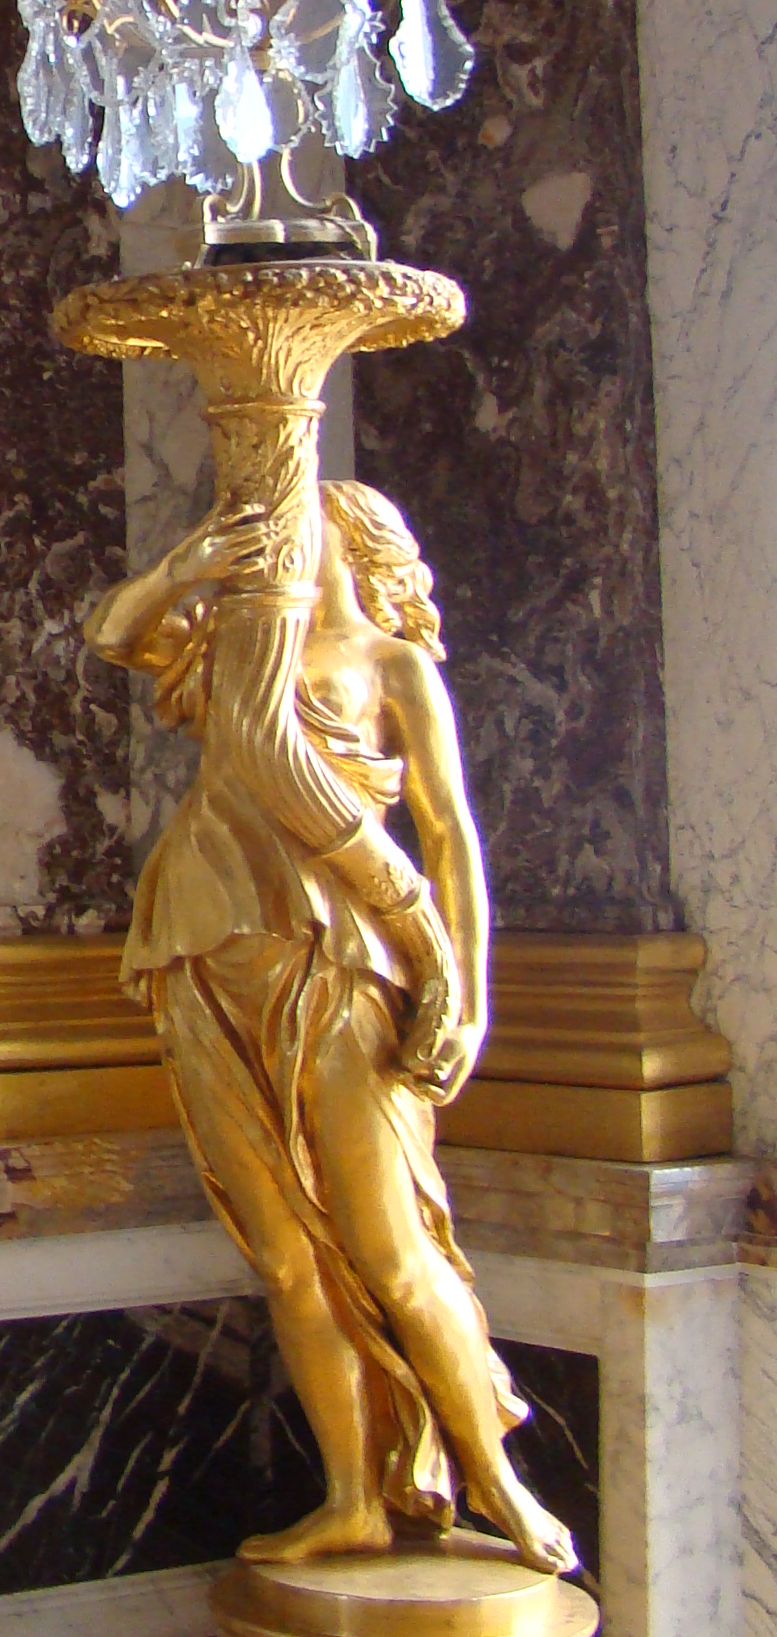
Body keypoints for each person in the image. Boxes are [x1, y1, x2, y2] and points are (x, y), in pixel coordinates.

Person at [86, 477, 575, 1573]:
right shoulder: (229, 646)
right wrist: (189, 566)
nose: (275, 530)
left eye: (293, 512)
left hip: (344, 954)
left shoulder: (393, 666)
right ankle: (353, 1497)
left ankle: (495, 1479)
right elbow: (116, 634)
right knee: (286, 1256)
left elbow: (451, 838)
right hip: (204, 944)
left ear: (347, 537)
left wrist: (468, 994)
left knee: (393, 1250)